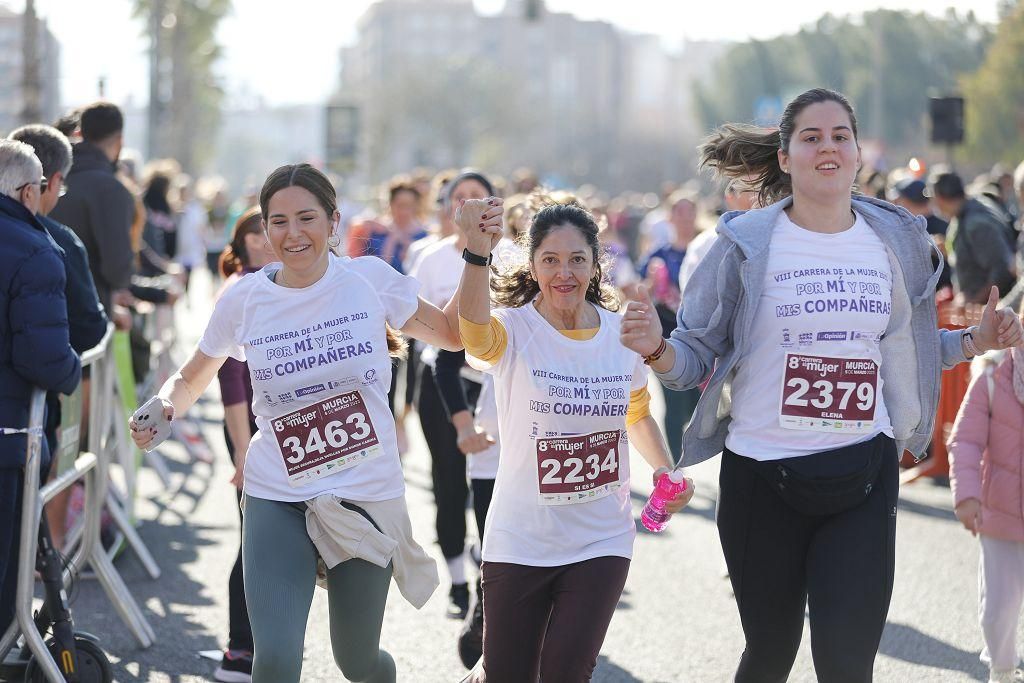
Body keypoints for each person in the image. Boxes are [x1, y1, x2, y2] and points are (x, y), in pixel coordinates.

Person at [619, 88, 1024, 683]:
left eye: (841, 136)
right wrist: (656, 345)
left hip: (861, 476)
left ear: (859, 153)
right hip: (763, 478)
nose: (827, 148)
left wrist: (972, 341)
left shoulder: (896, 241)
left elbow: (906, 355)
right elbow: (692, 359)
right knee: (770, 655)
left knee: (846, 665)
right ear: (785, 158)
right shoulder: (742, 245)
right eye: (811, 137)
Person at [129, 163, 466, 683]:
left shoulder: (369, 280)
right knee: (277, 662)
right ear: (264, 231)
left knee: (358, 662)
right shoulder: (244, 298)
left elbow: (451, 334)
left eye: (306, 218)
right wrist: (165, 405)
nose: (293, 234)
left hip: (364, 493)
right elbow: (193, 376)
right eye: (278, 222)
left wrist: (477, 256)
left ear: (333, 222)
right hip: (277, 491)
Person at [456, 196, 693, 682]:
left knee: (566, 673)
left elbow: (637, 412)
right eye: (550, 260)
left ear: (595, 263)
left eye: (577, 260)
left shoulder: (619, 333)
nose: (564, 272)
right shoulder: (513, 329)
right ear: (533, 265)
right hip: (520, 538)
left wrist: (666, 472)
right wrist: (477, 253)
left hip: (600, 538)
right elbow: (473, 337)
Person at [8, 124, 110, 551]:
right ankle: (40, 564)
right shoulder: (53, 244)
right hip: (29, 412)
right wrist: (70, 376)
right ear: (44, 185)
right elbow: (86, 331)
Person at [0, 139, 82, 638]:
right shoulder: (36, 249)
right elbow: (46, 359)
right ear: (30, 192)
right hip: (7, 435)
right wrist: (73, 372)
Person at [408, 170, 497, 619]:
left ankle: (491, 575)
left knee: (492, 485)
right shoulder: (428, 258)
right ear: (448, 208)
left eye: (478, 197)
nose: (469, 205)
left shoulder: (517, 255)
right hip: (441, 383)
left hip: (495, 387)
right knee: (448, 482)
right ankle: (458, 579)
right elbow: (418, 337)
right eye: (459, 198)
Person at [209, 206, 272, 683]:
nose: (269, 239)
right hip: (250, 431)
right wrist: (241, 447)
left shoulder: (282, 284)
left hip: (285, 434)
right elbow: (231, 382)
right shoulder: (241, 291)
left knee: (276, 543)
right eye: (260, 231)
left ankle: (265, 645)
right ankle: (239, 647)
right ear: (245, 240)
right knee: (253, 543)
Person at [948, 317, 1024, 683]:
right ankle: (1003, 668)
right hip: (1000, 515)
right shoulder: (993, 378)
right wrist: (967, 495)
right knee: (999, 609)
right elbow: (966, 440)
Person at [49, 101, 135, 314]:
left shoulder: (51, 179)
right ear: (119, 141)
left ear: (79, 133)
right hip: (89, 308)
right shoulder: (112, 190)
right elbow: (117, 270)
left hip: (42, 303)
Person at [638, 190, 700, 463]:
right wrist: (651, 285)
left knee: (694, 407)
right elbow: (639, 293)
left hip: (700, 340)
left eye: (690, 212)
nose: (685, 218)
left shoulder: (707, 249)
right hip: (666, 341)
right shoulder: (658, 256)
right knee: (674, 405)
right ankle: (674, 467)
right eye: (679, 212)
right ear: (670, 217)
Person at [928, 170, 1016, 305]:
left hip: (990, 313)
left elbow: (1002, 271)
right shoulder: (964, 213)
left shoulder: (976, 223)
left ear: (939, 197)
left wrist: (972, 302)